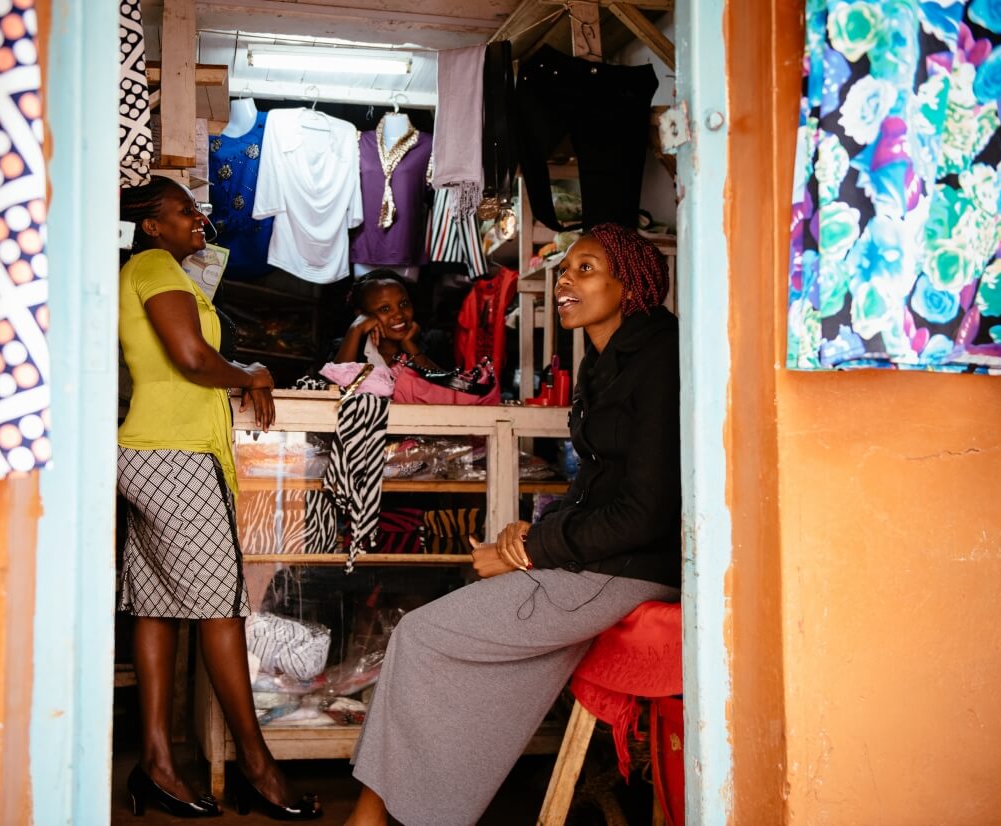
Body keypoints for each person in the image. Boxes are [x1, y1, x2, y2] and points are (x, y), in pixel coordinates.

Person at [343, 224, 681, 826]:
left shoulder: (658, 359)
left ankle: (372, 818)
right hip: (595, 560)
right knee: (454, 655)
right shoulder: (606, 361)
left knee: (419, 636)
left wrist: (531, 550)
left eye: (585, 268)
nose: (565, 281)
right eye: (565, 269)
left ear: (629, 284)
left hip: (627, 568)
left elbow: (647, 511)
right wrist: (526, 535)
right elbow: (596, 484)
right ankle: (408, 810)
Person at [117, 175, 322, 820]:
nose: (198, 218)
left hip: (148, 452)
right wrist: (250, 373)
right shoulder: (155, 265)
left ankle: (154, 763)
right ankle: (259, 768)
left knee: (156, 605)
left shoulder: (154, 269)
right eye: (184, 211)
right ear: (152, 225)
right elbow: (190, 356)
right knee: (222, 612)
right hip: (175, 457)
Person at [334, 269, 438, 370]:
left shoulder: (432, 343)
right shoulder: (347, 346)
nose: (399, 315)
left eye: (404, 304)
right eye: (385, 309)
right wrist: (356, 328)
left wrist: (410, 345)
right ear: (362, 315)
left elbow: (447, 386)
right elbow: (335, 384)